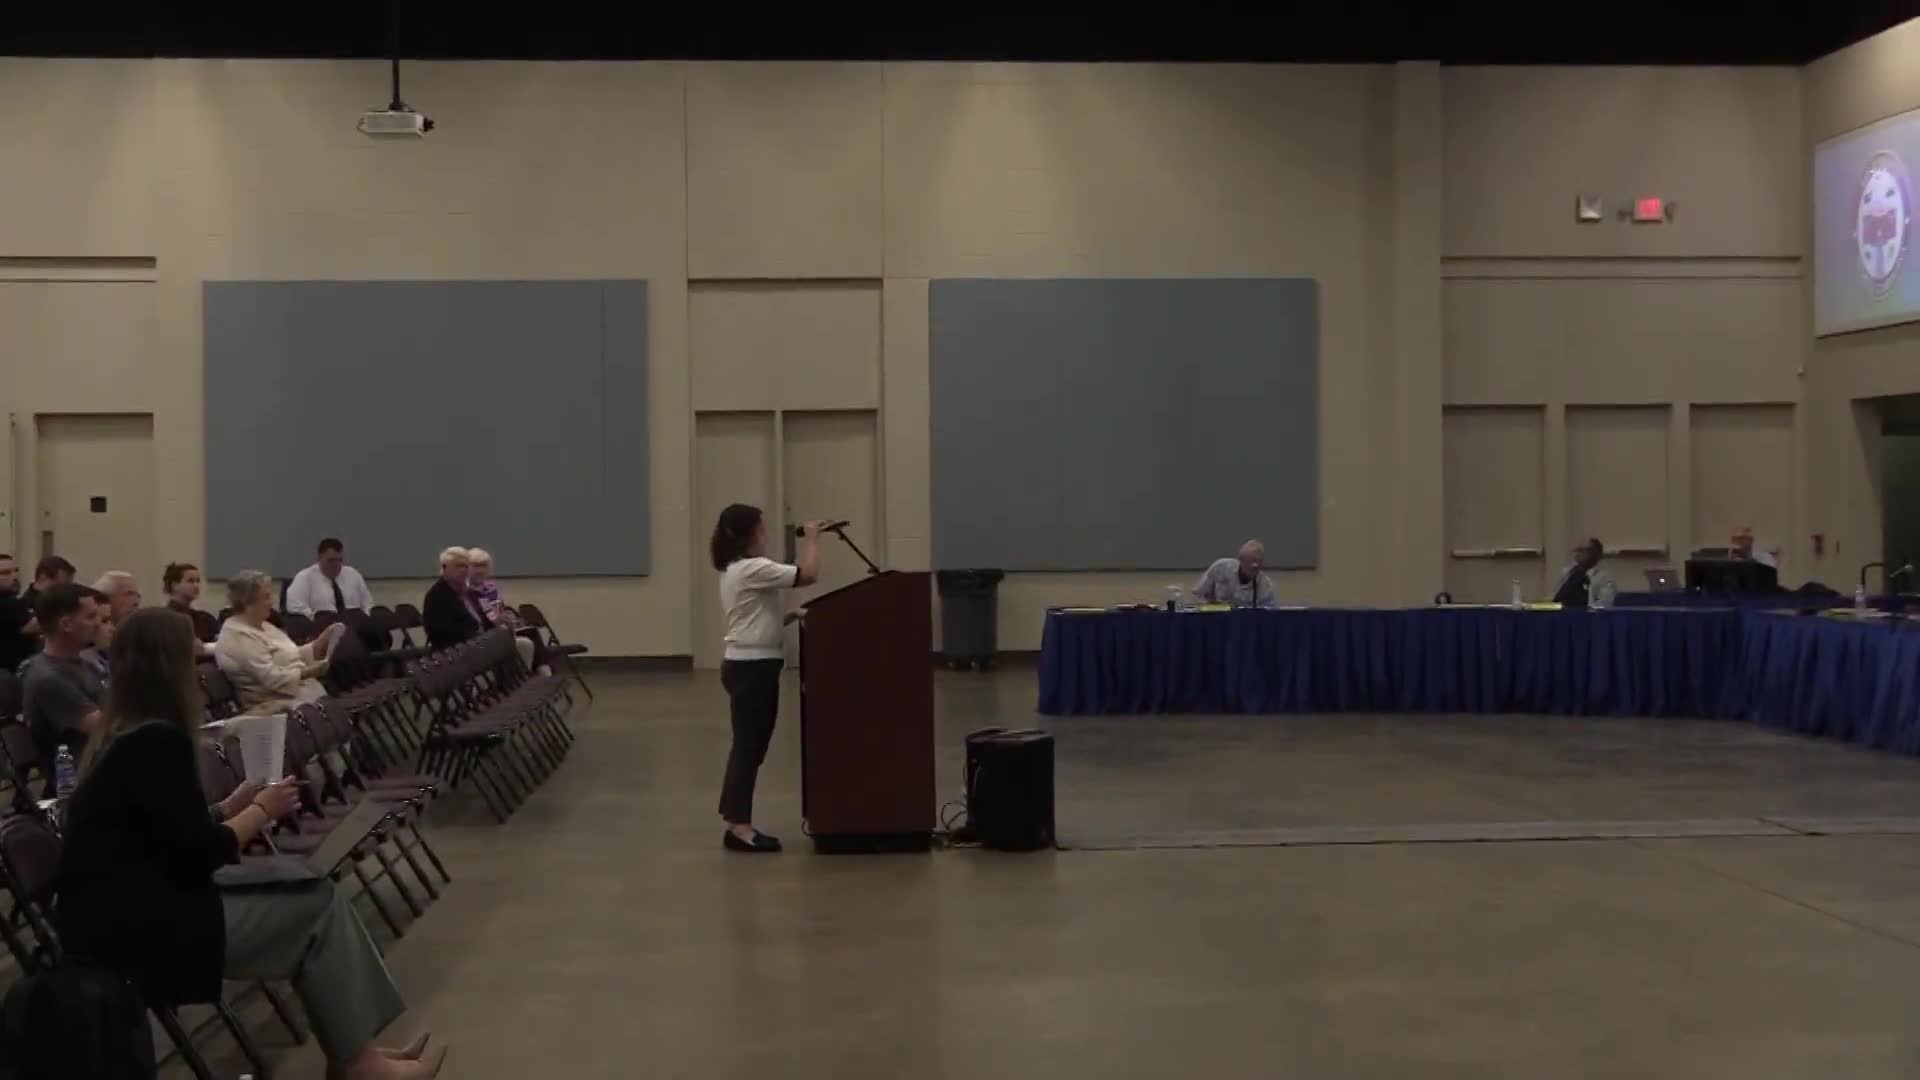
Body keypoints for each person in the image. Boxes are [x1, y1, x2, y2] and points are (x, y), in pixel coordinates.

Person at [54, 608, 446, 1078]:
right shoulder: (157, 743)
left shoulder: (123, 736)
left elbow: (161, 836)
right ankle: (359, 1064)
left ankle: (356, 1057)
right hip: (145, 930)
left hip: (119, 916)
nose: (200, 669)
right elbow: (198, 854)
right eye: (190, 658)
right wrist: (261, 811)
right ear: (170, 668)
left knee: (313, 892)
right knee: (317, 908)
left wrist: (230, 807)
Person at [709, 505, 821, 854]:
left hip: (748, 666)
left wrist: (789, 615)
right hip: (752, 669)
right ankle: (739, 828)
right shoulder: (753, 567)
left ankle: (734, 818)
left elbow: (753, 618)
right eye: (762, 529)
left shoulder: (737, 569)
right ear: (750, 535)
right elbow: (809, 575)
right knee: (749, 748)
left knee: (748, 747)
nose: (766, 535)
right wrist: (813, 539)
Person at [216, 570, 345, 712]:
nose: (271, 602)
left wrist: (317, 645)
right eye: (266, 597)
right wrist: (310, 672)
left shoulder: (263, 625)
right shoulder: (238, 635)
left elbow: (289, 655)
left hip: (303, 698)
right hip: (276, 707)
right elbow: (271, 678)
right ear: (247, 601)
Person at [18, 584, 106, 794]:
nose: (99, 623)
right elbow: (105, 727)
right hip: (82, 783)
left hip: (102, 766)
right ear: (66, 624)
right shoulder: (48, 677)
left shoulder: (83, 664)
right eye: (91, 617)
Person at [465, 547, 546, 674]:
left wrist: (507, 618)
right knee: (529, 636)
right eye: (476, 566)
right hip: (483, 634)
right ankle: (541, 672)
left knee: (531, 632)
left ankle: (541, 671)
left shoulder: (491, 589)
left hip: (500, 628)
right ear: (467, 568)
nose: (480, 570)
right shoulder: (465, 591)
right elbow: (476, 618)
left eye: (484, 566)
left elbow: (498, 611)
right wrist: (497, 620)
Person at [286, 537, 375, 619]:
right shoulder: (304, 577)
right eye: (331, 561)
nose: (336, 565)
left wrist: (364, 619)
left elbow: (368, 604)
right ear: (319, 557)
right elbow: (295, 607)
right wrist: (317, 619)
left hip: (354, 624)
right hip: (320, 626)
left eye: (340, 560)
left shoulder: (353, 574)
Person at [1193, 540, 1278, 608]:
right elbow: (1199, 594)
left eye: (1259, 561)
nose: (1255, 565)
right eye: (1252, 560)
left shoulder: (1265, 585)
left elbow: (1269, 614)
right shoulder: (1220, 567)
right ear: (1240, 560)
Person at [163, 561, 221, 644]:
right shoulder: (163, 619)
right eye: (190, 581)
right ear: (175, 585)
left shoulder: (205, 619)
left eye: (198, 581)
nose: (196, 585)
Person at [1552, 537, 1617, 609]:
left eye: (1584, 550)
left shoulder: (1605, 579)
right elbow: (1556, 599)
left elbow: (1604, 605)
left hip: (1587, 614)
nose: (1578, 554)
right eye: (1578, 550)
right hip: (1562, 613)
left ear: (1597, 554)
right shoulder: (1567, 573)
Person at [0, 553, 36, 676]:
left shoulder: (15, 601)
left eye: (16, 571)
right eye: (5, 573)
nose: (14, 576)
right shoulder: (9, 605)